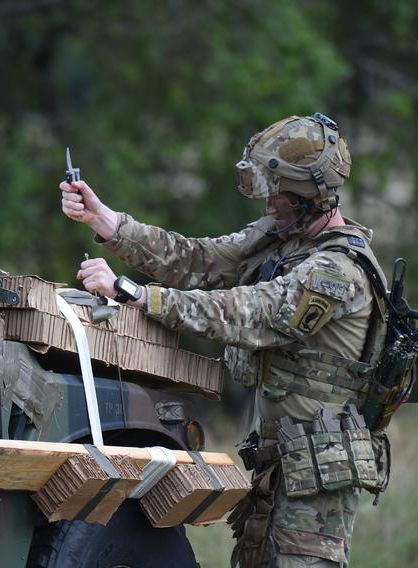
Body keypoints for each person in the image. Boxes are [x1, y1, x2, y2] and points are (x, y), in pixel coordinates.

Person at [60, 114, 391, 567]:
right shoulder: (282, 237)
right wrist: (112, 223)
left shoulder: (335, 272)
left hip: (317, 472)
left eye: (279, 195)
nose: (269, 204)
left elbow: (245, 312)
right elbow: (200, 259)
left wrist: (136, 295)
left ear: (311, 196)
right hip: (280, 459)